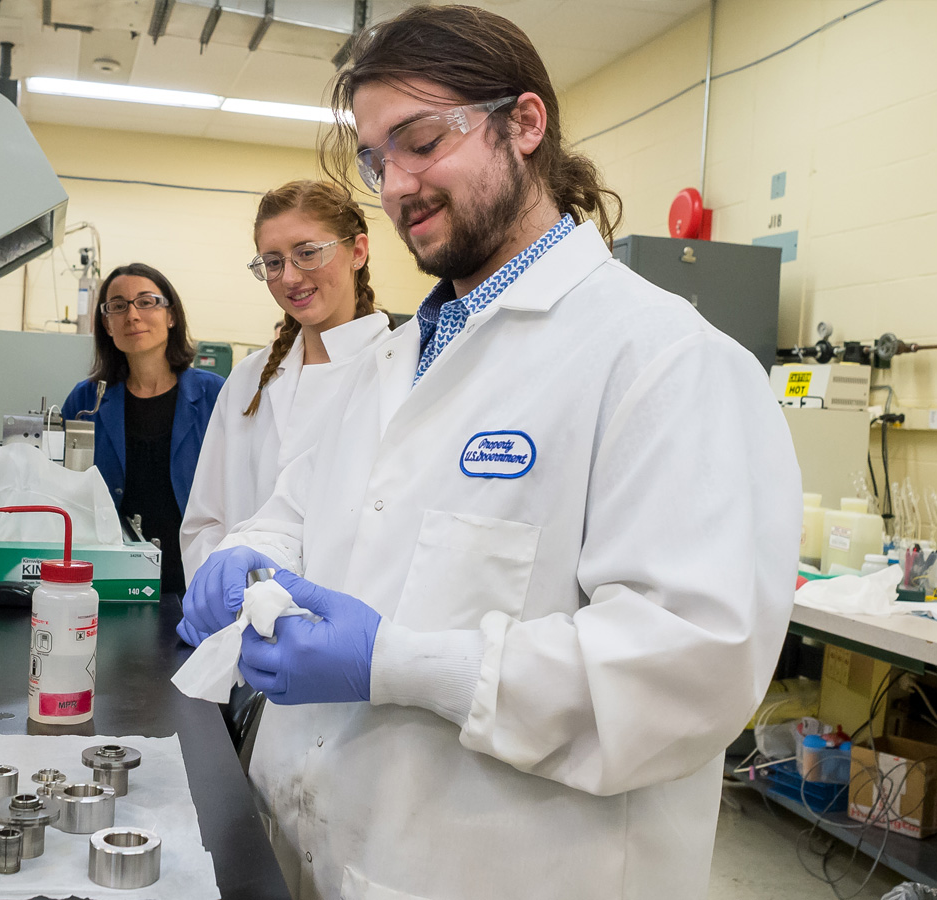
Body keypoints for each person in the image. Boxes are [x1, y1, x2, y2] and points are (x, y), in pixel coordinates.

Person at [179, 6, 800, 899]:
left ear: (524, 124)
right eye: (376, 159)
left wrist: (395, 663)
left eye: (421, 140)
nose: (395, 185)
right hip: (305, 848)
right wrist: (253, 556)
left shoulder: (666, 360)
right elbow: (299, 517)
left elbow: (689, 668)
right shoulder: (387, 359)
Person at [179, 180, 391, 590]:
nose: (290, 277)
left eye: (307, 253)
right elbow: (206, 520)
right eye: (272, 262)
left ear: (358, 252)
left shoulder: (396, 370)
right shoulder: (248, 379)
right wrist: (222, 601)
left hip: (346, 629)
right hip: (237, 631)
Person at [64, 263, 224, 596]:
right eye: (118, 306)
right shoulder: (85, 399)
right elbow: (63, 488)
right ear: (107, 324)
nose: (132, 315)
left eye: (146, 301)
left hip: (198, 573)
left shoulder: (215, 396)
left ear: (171, 315)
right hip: (108, 573)